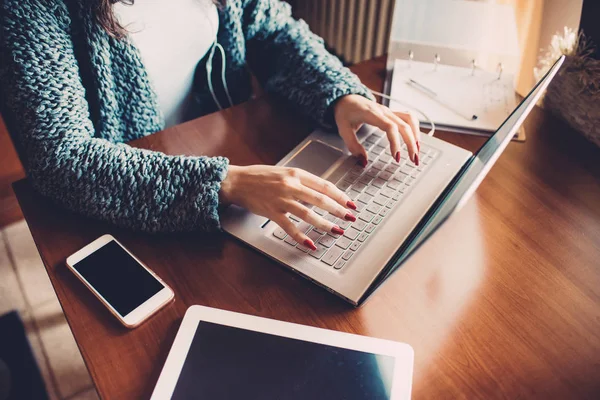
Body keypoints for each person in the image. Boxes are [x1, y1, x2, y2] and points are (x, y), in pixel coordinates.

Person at [0, 0, 420, 251]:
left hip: (234, 157)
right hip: (126, 194)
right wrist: (226, 184)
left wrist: (341, 94)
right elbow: (62, 157)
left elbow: (274, 30)